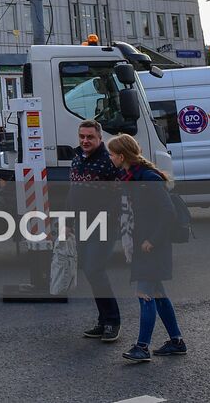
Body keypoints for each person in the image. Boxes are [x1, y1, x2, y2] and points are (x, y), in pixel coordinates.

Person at [107, 133, 186, 363]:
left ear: (122, 156)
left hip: (152, 246)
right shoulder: (131, 177)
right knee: (159, 295)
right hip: (143, 245)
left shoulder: (148, 178)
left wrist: (152, 239)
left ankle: (142, 347)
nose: (110, 158)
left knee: (145, 295)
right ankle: (176, 341)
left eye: (112, 155)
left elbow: (168, 212)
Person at [69, 119, 121, 343]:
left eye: (90, 137)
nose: (85, 140)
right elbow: (73, 192)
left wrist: (109, 217)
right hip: (81, 223)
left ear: (100, 138)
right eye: (82, 136)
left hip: (103, 224)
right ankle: (103, 321)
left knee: (95, 269)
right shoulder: (77, 158)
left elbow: (121, 194)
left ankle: (112, 321)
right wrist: (66, 221)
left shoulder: (109, 161)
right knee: (90, 272)